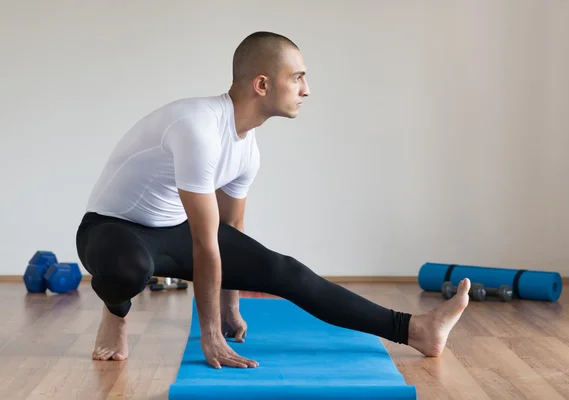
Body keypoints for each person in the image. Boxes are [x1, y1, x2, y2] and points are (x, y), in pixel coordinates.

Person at [75, 31, 471, 369]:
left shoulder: (248, 150)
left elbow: (230, 232)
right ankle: (115, 313)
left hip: (172, 230)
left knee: (288, 271)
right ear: (262, 85)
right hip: (110, 228)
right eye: (297, 77)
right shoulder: (197, 128)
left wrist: (230, 310)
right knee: (128, 269)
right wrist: (209, 335)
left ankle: (415, 329)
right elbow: (204, 244)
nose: (306, 89)